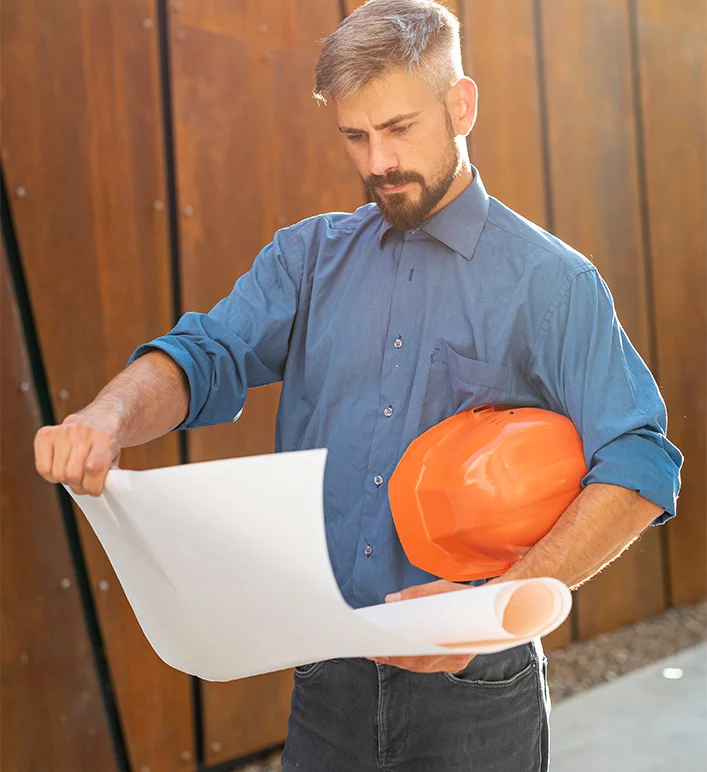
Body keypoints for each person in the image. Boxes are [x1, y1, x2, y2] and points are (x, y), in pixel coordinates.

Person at [34, 1, 682, 770]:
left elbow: (639, 462)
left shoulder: (551, 282)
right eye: (354, 135)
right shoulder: (307, 260)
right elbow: (202, 355)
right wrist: (109, 416)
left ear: (460, 104)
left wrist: (499, 604)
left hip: (476, 690)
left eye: (399, 128)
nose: (377, 162)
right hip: (327, 678)